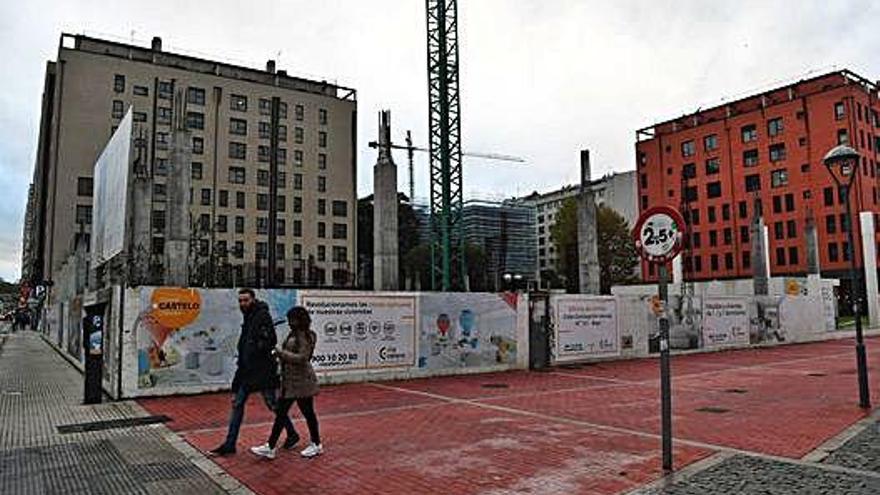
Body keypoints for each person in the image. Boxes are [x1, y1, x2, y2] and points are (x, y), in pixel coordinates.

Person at [209, 289, 297, 456]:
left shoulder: (262, 315)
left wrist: (256, 348)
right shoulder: (249, 317)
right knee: (238, 404)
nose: (243, 304)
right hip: (247, 371)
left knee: (273, 404)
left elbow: (270, 340)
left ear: (253, 300)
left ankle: (292, 433)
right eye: (240, 301)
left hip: (262, 371)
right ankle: (230, 444)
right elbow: (246, 346)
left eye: (246, 300)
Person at [250, 306, 323, 460]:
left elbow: (303, 358)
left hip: (302, 382)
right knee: (282, 413)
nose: (290, 323)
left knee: (306, 413)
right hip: (291, 382)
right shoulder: (294, 334)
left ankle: (316, 444)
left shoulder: (304, 336)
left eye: (292, 319)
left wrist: (280, 353)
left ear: (300, 320)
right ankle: (270, 447)